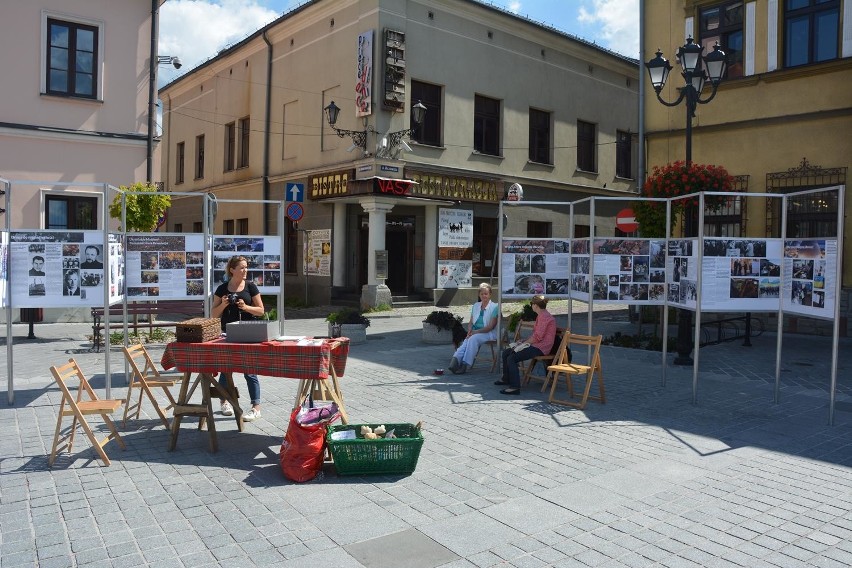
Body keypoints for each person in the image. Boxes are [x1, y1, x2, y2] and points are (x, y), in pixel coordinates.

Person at [211, 255, 266, 422]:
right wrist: (224, 304)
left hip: (248, 333)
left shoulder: (251, 287)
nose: (245, 270)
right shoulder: (222, 289)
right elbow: (213, 314)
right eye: (241, 267)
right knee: (226, 368)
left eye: (246, 267)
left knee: (250, 370)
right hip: (228, 333)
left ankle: (256, 408)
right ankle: (224, 402)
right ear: (232, 270)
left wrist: (245, 306)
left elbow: (261, 311)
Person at [495, 294, 556, 395]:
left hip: (541, 348)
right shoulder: (542, 315)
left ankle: (515, 387)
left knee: (512, 358)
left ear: (536, 305)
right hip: (536, 345)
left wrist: (523, 344)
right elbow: (536, 336)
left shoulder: (544, 316)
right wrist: (523, 342)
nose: (531, 305)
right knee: (506, 352)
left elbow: (537, 337)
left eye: (532, 304)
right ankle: (506, 378)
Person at [448, 283, 500, 374]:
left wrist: (475, 332)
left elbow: (490, 327)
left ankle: (464, 365)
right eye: (482, 294)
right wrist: (470, 330)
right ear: (479, 295)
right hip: (475, 332)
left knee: (472, 339)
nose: (484, 296)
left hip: (489, 333)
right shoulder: (476, 305)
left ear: (490, 294)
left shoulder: (495, 307)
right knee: (467, 340)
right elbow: (471, 322)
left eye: (486, 294)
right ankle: (455, 362)